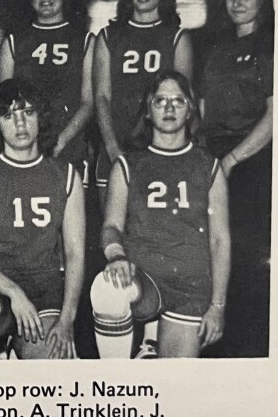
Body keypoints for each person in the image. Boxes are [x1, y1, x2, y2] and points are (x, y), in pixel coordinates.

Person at [93, 71, 230, 358]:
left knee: (176, 386)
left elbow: (219, 241)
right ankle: (117, 384)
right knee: (108, 288)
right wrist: (117, 255)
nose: (169, 108)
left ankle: (150, 345)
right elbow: (111, 226)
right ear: (147, 110)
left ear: (191, 109)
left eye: (178, 101)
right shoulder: (128, 165)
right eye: (160, 101)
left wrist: (217, 307)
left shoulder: (209, 167)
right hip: (145, 279)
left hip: (191, 287)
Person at [0, 79, 84, 359]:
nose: (20, 123)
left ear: (41, 117)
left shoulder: (65, 174)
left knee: (52, 370)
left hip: (42, 291)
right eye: (9, 115)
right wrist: (14, 293)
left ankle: (15, 350)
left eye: (27, 112)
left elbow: (74, 252)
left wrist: (67, 320)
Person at [198, 0, 272, 357]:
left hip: (252, 161)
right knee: (211, 251)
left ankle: (246, 350)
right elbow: (206, 106)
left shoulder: (270, 46)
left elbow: (274, 116)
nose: (237, 2)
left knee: (243, 256)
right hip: (214, 157)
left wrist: (233, 160)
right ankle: (214, 343)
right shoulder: (218, 46)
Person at [93, 0, 192, 198]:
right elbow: (101, 97)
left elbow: (183, 101)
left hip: (160, 149)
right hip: (115, 147)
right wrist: (112, 148)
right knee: (112, 228)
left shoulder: (177, 38)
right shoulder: (108, 36)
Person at [0, 0, 94, 185]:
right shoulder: (14, 41)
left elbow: (89, 102)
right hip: (22, 150)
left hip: (68, 148)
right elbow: (1, 102)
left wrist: (60, 141)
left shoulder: (85, 40)